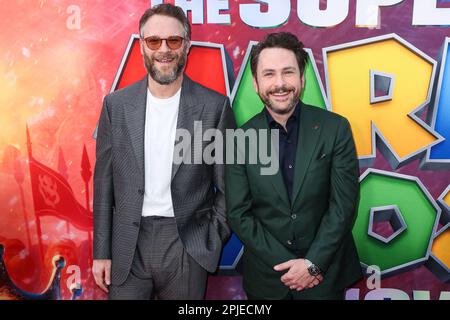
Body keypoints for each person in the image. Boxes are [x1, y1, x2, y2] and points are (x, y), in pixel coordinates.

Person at [92, 3, 235, 300]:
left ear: (187, 46)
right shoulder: (115, 106)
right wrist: (101, 252)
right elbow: (104, 184)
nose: (164, 49)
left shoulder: (215, 107)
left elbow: (230, 186)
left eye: (174, 40)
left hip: (187, 244)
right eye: (154, 41)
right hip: (127, 245)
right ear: (142, 45)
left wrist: (209, 237)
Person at [225, 32, 362, 300]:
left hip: (324, 276)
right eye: (269, 74)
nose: (279, 83)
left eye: (288, 72)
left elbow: (343, 205)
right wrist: (290, 267)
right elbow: (239, 213)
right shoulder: (240, 139)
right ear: (255, 83)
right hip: (268, 279)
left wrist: (312, 264)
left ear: (302, 78)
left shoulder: (335, 128)